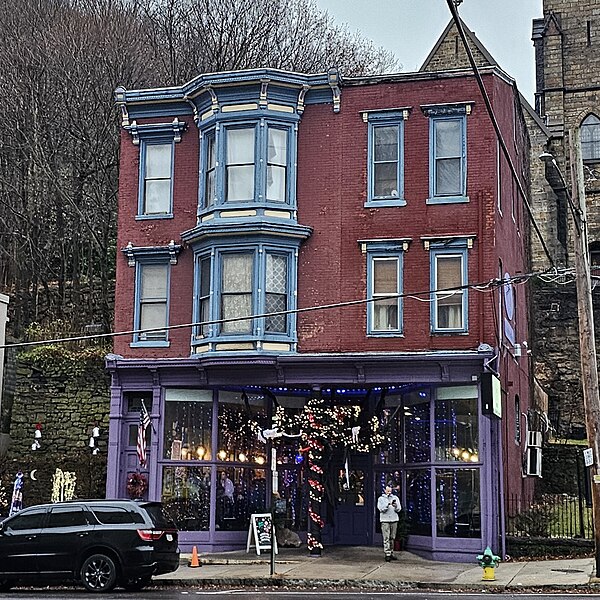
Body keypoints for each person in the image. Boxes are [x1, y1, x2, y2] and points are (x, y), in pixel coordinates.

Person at [377, 483, 402, 562]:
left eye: (390, 491)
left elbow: (399, 509)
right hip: (385, 520)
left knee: (392, 537)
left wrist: (395, 506)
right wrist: (387, 504)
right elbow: (381, 509)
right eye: (387, 491)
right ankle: (387, 553)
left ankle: (391, 552)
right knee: (386, 537)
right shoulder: (381, 499)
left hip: (394, 519)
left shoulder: (395, 498)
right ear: (384, 490)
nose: (389, 492)